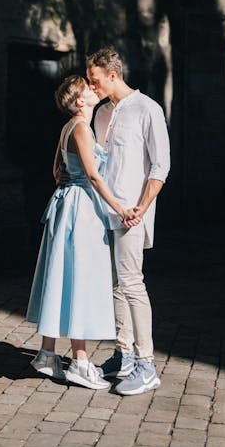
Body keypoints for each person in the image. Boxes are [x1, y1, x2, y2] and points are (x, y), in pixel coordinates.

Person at [26, 74, 137, 390]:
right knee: (81, 282)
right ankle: (81, 362)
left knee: (64, 276)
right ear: (80, 101)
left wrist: (68, 178)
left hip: (69, 204)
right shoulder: (81, 128)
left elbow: (56, 169)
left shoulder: (69, 128)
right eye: (88, 88)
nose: (93, 89)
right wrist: (120, 208)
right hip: (83, 210)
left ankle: (48, 354)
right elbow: (93, 175)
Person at [86, 48, 170, 396]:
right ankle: (123, 355)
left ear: (113, 75)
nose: (91, 86)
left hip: (133, 215)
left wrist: (141, 206)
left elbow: (160, 165)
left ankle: (147, 364)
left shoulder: (147, 108)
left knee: (133, 284)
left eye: (94, 80)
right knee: (114, 286)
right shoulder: (101, 113)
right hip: (104, 211)